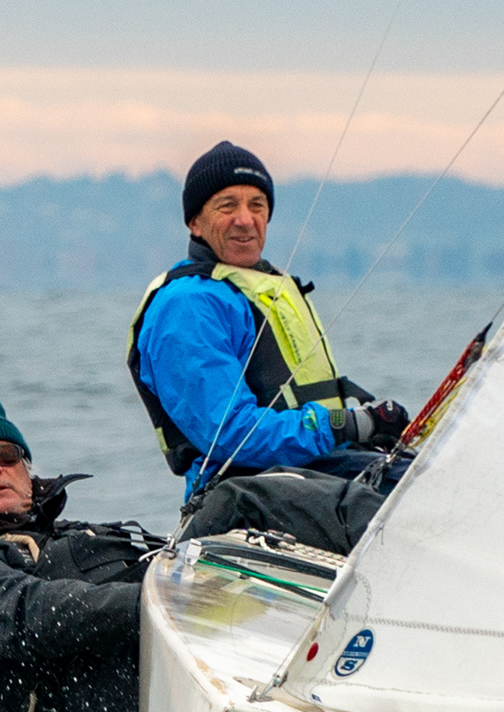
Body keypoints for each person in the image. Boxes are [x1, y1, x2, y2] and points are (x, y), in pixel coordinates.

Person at [0, 390, 390, 712]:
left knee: (243, 496)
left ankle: (395, 546)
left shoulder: (66, 533)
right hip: (123, 682)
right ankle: (400, 552)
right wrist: (178, 594)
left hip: (183, 633)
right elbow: (31, 616)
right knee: (235, 501)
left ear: (26, 470)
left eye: (4, 456)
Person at [127, 141, 408, 508]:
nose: (245, 219)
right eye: (227, 205)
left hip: (315, 472)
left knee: (427, 474)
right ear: (195, 223)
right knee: (419, 496)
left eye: (256, 205)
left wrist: (373, 429)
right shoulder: (187, 305)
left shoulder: (267, 285)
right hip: (248, 494)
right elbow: (232, 436)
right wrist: (348, 424)